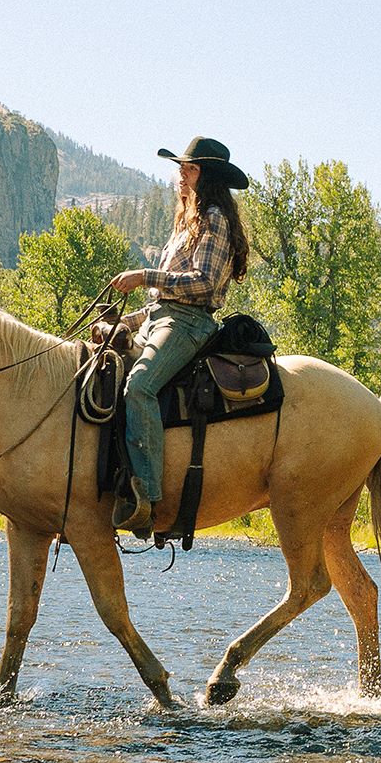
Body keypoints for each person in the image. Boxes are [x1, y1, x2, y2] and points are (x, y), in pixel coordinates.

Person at [105, 137, 251, 532]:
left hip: (190, 325)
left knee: (140, 386)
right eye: (181, 168)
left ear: (206, 177)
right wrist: (126, 324)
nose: (180, 175)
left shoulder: (214, 218)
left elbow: (202, 285)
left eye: (189, 169)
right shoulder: (184, 222)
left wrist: (143, 275)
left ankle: (147, 499)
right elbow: (160, 302)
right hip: (164, 318)